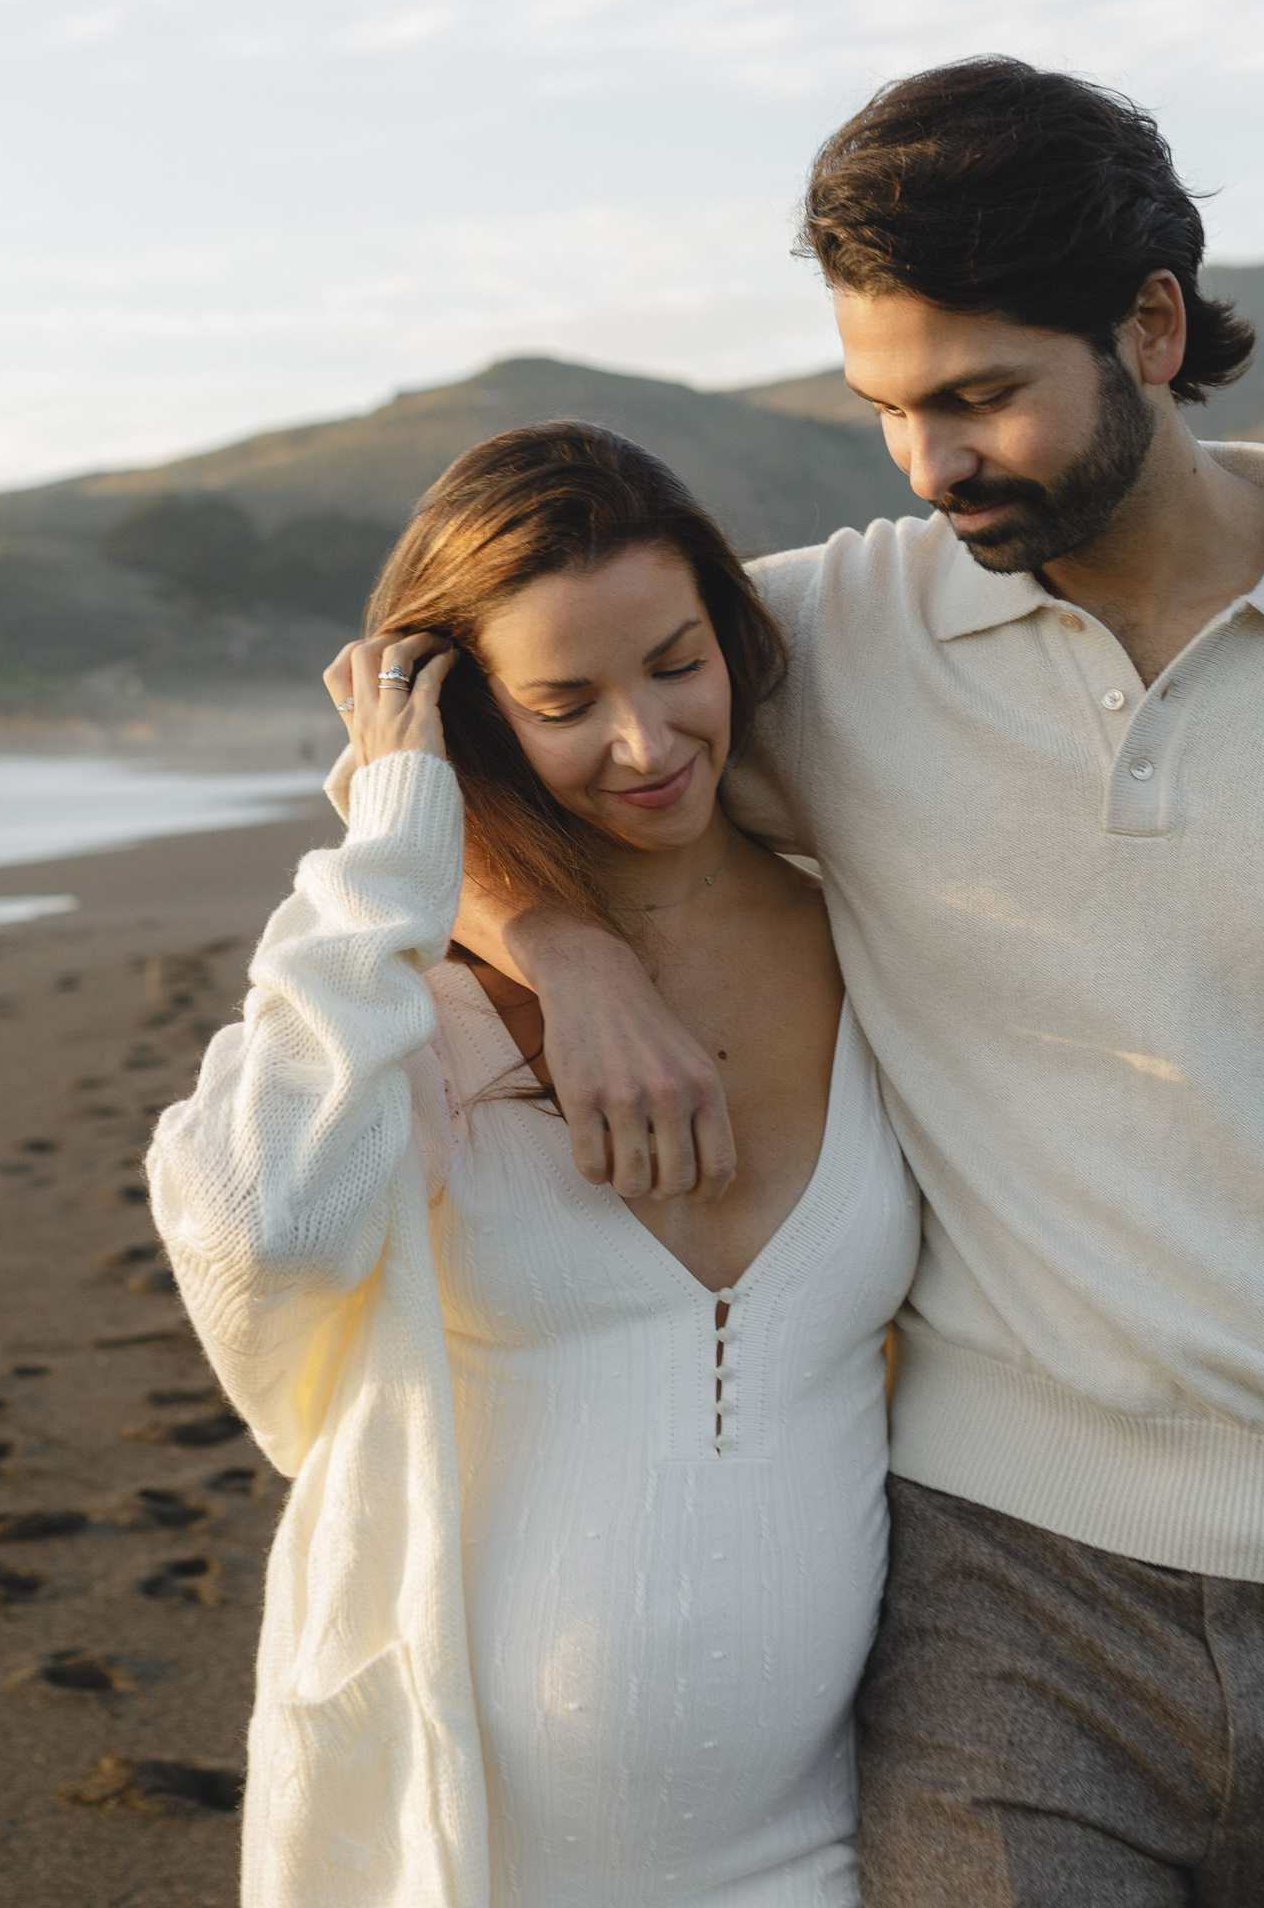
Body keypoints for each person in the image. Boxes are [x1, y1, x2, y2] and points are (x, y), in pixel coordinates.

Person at [462, 59, 1264, 1906]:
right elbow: (442, 727)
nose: (930, 464)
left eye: (980, 398)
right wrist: (558, 944)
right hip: (1007, 1594)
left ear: (1151, 325)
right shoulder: (831, 637)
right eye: (887, 407)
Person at [146, 424, 920, 1908]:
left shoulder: (876, 936)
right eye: (564, 702)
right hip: (466, 1855)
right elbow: (266, 1234)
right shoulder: (398, 995)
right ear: (470, 716)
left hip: (825, 1849)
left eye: (677, 664)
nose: (645, 743)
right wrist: (399, 848)